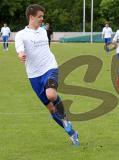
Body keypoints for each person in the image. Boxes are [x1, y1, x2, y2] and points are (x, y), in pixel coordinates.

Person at [14, 4, 80, 146]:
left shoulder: (43, 31)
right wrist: (21, 54)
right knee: (51, 108)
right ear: (31, 17)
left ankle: (66, 119)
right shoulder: (21, 35)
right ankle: (71, 133)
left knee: (51, 95)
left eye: (43, 16)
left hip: (50, 68)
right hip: (34, 76)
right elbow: (19, 48)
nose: (42, 19)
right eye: (40, 17)